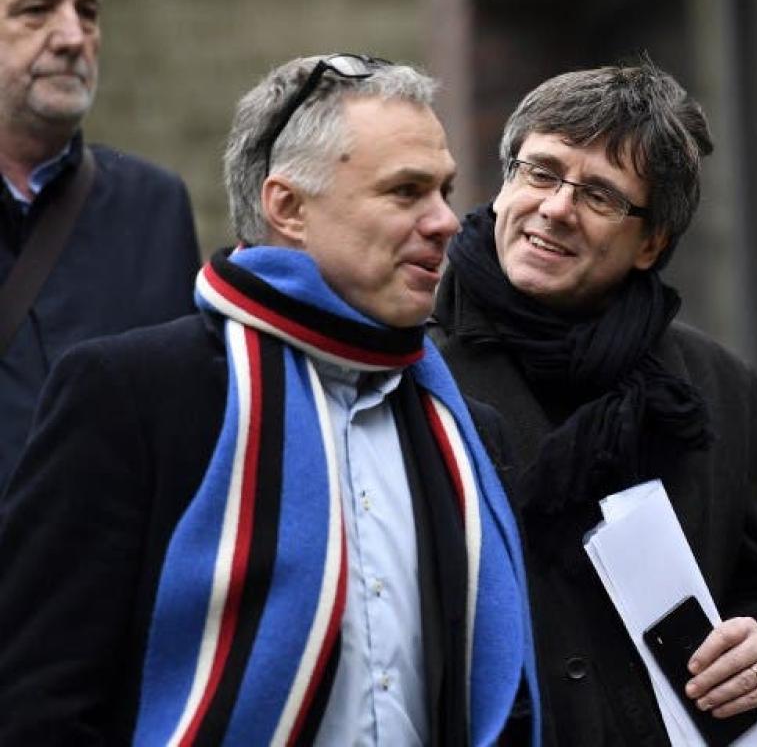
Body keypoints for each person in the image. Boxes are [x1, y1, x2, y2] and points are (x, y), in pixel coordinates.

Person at [0, 54, 541, 745]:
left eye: (444, 191)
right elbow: (35, 698)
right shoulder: (133, 394)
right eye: (406, 191)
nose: (445, 222)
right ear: (287, 207)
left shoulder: (465, 431)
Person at [430, 61, 757, 745]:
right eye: (540, 172)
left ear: (651, 243)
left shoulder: (718, 386)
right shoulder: (408, 367)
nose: (556, 208)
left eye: (600, 195)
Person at [0, 0, 200, 487]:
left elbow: (183, 427)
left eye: (87, 11)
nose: (72, 37)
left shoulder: (154, 207)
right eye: (37, 9)